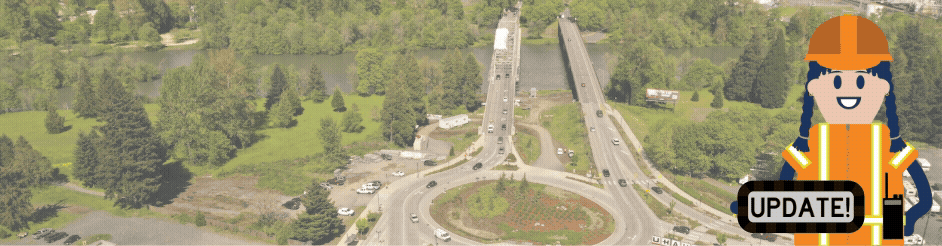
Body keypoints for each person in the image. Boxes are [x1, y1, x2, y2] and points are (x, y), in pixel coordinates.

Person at [729, 15, 932, 245]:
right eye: (835, 81)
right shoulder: (814, 140)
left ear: (883, 87)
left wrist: (902, 221)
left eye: (861, 81)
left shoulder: (886, 142)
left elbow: (921, 198)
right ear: (815, 88)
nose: (848, 90)